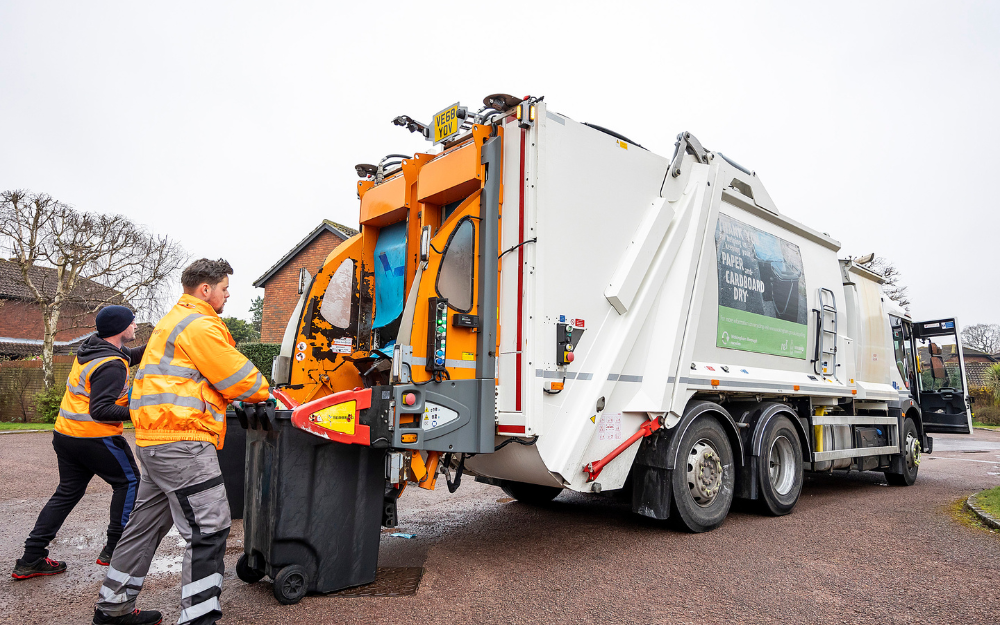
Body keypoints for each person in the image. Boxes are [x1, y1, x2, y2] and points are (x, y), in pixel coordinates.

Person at [93, 259, 269, 625]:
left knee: (144, 526)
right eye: (224, 289)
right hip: (183, 442)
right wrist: (265, 392)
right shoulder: (201, 323)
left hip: (156, 440)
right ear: (205, 290)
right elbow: (243, 381)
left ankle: (112, 608)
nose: (227, 295)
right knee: (210, 527)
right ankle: (199, 618)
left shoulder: (170, 322)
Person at [12, 305, 144, 580]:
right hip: (95, 436)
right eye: (133, 323)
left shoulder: (93, 349)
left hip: (66, 435)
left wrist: (161, 343)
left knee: (67, 493)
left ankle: (31, 557)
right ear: (121, 328)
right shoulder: (110, 365)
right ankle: (114, 548)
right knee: (129, 482)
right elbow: (102, 410)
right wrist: (141, 413)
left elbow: (129, 355)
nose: (136, 327)